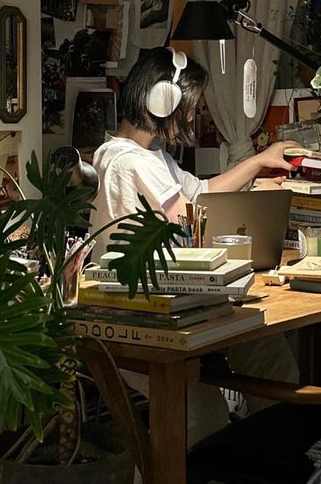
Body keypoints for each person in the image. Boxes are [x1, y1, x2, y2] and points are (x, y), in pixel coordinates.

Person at [90, 46, 300, 446]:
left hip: (172, 301)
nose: (191, 117)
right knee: (204, 407)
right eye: (189, 107)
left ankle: (277, 455)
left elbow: (201, 193)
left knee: (266, 354)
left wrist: (257, 165)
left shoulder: (152, 156)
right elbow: (188, 215)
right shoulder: (125, 160)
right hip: (138, 316)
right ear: (162, 101)